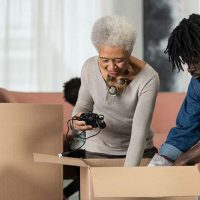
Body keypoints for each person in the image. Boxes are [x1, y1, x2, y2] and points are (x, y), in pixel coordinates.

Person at [72, 15, 160, 166]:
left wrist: (127, 176)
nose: (112, 67)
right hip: (97, 150)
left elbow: (139, 134)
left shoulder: (149, 78)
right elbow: (81, 107)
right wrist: (77, 120)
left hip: (141, 152)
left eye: (119, 60)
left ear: (129, 52)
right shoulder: (89, 67)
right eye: (104, 60)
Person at [149, 13, 200, 166]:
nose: (190, 68)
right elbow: (187, 128)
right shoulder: (197, 83)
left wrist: (185, 159)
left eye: (195, 60)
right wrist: (163, 160)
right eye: (186, 62)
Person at [62, 77, 82, 200]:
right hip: (86, 152)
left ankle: (65, 194)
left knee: (83, 177)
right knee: (86, 177)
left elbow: (70, 135)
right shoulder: (94, 109)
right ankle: (65, 193)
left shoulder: (74, 112)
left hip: (74, 150)